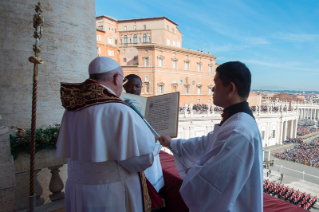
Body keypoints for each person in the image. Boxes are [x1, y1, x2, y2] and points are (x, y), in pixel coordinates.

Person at [56, 57, 158, 212]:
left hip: (77, 188)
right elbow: (139, 160)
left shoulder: (71, 109)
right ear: (117, 79)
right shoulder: (119, 110)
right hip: (110, 192)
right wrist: (156, 146)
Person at [160, 61, 263, 212]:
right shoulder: (235, 120)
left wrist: (193, 173)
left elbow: (215, 180)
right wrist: (172, 144)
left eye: (216, 83)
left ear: (230, 88)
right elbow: (206, 143)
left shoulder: (238, 130)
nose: (213, 89)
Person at [123, 74, 165, 192]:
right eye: (130, 86)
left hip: (150, 153)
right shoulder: (119, 107)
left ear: (141, 87)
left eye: (137, 86)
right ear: (124, 87)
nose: (134, 89)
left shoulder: (148, 106)